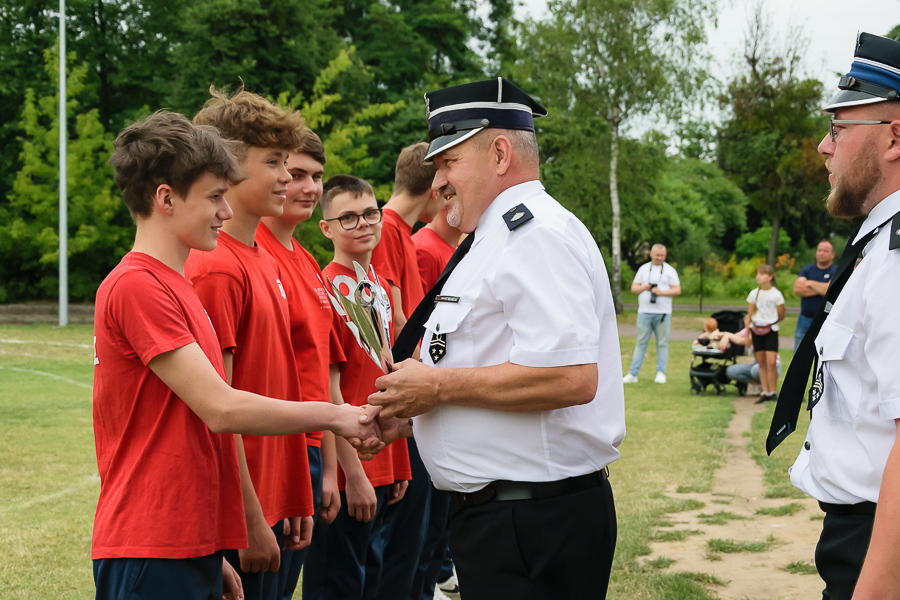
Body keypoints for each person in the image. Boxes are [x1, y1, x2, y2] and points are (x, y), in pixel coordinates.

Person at [91, 111, 381, 600]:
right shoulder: (138, 286)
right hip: (153, 541)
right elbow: (221, 409)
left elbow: (205, 430)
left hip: (187, 542)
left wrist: (216, 544)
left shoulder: (176, 284)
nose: (225, 212)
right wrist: (337, 415)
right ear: (165, 198)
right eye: (214, 197)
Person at [369, 77, 625, 600]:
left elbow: (570, 378)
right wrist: (416, 410)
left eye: (448, 163)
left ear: (500, 152)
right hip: (507, 520)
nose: (437, 181)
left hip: (532, 523)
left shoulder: (535, 237)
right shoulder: (496, 237)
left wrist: (436, 391)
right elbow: (485, 359)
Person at [777, 33, 900, 599]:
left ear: (895, 136)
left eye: (837, 127)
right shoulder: (878, 243)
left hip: (878, 542)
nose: (823, 147)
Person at [185, 88, 315, 600]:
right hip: (245, 513)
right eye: (275, 162)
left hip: (276, 499)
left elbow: (279, 383)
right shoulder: (216, 267)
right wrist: (250, 518)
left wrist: (295, 491)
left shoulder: (261, 255)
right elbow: (221, 410)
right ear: (229, 166)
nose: (288, 176)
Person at [303, 175, 411, 600]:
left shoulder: (378, 286)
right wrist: (353, 473)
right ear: (326, 227)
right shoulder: (326, 287)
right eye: (347, 217)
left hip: (384, 459)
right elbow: (329, 389)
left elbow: (386, 379)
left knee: (373, 582)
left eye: (370, 213)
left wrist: (398, 462)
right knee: (339, 585)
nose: (363, 223)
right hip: (354, 467)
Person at [255, 131, 345, 599]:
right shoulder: (253, 255)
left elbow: (321, 373)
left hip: (309, 447)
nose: (309, 187)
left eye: (316, 176)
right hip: (276, 451)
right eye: (295, 174)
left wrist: (329, 468)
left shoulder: (308, 262)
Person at [369, 142, 445, 600]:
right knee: (394, 547)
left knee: (414, 538)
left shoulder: (398, 230)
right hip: (397, 399)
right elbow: (392, 323)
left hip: (411, 394)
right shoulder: (385, 230)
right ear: (434, 186)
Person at [410, 199, 462, 600]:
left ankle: (438, 572)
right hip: (422, 398)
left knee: (437, 512)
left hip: (440, 400)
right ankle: (435, 575)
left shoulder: (456, 247)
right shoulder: (426, 248)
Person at [623, 244, 681, 384]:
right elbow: (633, 288)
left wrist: (661, 292)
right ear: (651, 254)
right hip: (644, 312)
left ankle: (661, 373)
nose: (660, 258)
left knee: (662, 343)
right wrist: (645, 287)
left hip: (663, 313)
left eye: (662, 255)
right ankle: (633, 373)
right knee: (641, 342)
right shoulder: (643, 269)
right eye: (657, 255)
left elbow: (677, 290)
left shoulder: (669, 270)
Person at [746, 264, 785, 402]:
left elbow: (781, 314)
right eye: (758, 274)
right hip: (756, 330)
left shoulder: (776, 294)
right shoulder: (754, 293)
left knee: (771, 361)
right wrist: (747, 335)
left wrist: (771, 322)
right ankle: (765, 391)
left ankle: (773, 391)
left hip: (770, 330)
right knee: (761, 362)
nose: (759, 276)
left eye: (762, 274)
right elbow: (749, 315)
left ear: (770, 277)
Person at [792, 240, 836, 350]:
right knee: (799, 353)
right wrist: (823, 288)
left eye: (826, 251)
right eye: (819, 250)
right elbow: (797, 289)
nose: (822, 253)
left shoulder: (836, 271)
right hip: (804, 319)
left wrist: (809, 283)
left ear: (832, 255)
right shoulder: (807, 269)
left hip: (826, 319)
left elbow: (830, 291)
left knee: (823, 353)